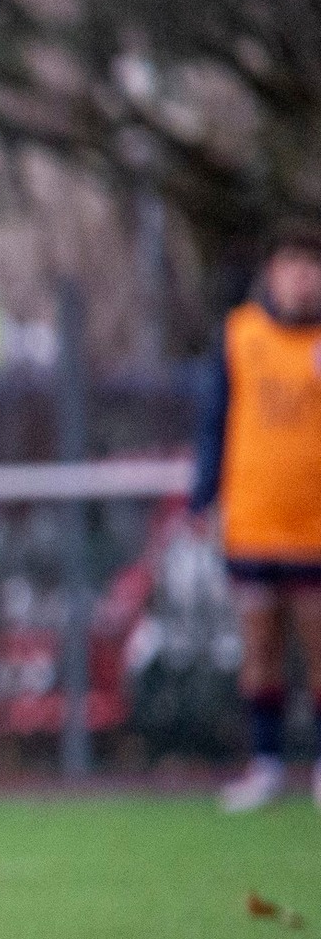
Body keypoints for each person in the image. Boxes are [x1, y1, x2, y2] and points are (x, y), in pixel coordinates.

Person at [191, 226, 321, 812]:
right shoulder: (241, 334)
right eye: (293, 265)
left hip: (315, 526)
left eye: (312, 267)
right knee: (260, 646)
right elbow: (214, 421)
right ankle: (266, 765)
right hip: (253, 519)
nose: (302, 278)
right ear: (272, 271)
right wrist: (204, 496)